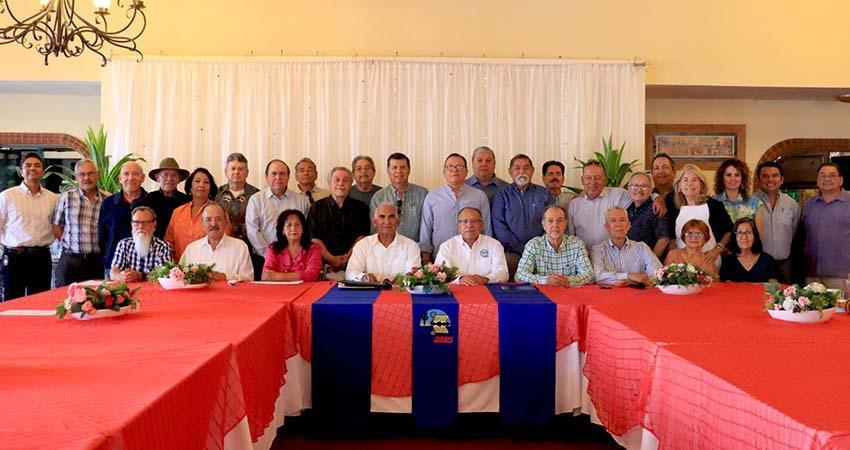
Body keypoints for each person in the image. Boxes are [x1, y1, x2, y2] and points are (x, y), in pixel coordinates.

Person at [569, 161, 665, 249]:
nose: (593, 182)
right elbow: (570, 236)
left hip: (612, 256)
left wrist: (657, 198)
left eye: (597, 178)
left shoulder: (618, 195)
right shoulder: (574, 204)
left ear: (605, 180)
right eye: (588, 178)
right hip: (583, 258)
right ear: (582, 180)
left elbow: (639, 193)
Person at [0, 152, 57, 299]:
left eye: (37, 165)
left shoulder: (52, 198)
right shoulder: (7, 196)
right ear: (21, 171)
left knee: (40, 302)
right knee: (12, 303)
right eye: (28, 165)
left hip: (41, 258)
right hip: (14, 257)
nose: (33, 168)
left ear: (43, 171)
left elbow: (56, 225)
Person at [419, 153, 491, 263]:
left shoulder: (479, 196)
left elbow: (486, 229)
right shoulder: (432, 197)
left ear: (467, 172)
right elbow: (426, 229)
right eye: (450, 166)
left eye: (459, 166)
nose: (454, 170)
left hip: (474, 258)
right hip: (440, 258)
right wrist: (425, 256)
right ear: (444, 172)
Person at [246, 160, 309, 279]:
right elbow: (252, 231)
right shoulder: (256, 200)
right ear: (266, 177)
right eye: (274, 173)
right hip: (263, 260)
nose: (278, 177)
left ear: (288, 177)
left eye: (282, 173)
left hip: (296, 262)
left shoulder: (301, 201)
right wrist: (270, 256)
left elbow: (305, 231)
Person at [492, 154, 550, 278]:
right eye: (517, 168)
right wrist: (521, 248)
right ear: (510, 171)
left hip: (541, 252)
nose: (522, 171)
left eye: (526, 168)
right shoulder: (501, 195)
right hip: (512, 253)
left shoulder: (544, 194)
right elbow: (499, 226)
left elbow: (553, 222)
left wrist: (537, 247)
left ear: (532, 170)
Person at [308, 167, 371, 280]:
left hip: (354, 266)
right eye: (337, 180)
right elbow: (314, 239)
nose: (341, 183)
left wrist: (348, 257)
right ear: (329, 183)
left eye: (345, 180)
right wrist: (331, 258)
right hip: (324, 267)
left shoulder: (361, 208)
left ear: (351, 184)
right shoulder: (316, 208)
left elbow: (362, 237)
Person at [52, 159, 108, 286]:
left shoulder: (108, 199)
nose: (86, 178)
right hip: (71, 260)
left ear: (98, 175)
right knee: (64, 299)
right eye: (82, 174)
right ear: (76, 177)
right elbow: (56, 226)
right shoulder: (67, 197)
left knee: (95, 299)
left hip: (96, 261)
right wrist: (70, 245)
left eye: (90, 173)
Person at [667, 164, 733, 264]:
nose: (689, 184)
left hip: (709, 260)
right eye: (685, 180)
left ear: (701, 184)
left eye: (694, 180)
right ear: (679, 186)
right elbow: (671, 238)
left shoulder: (714, 205)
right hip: (681, 263)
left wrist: (717, 249)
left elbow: (729, 231)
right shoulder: (674, 208)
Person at [515, 205, 594, 287]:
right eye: (550, 221)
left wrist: (568, 281)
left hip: (570, 294)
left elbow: (589, 275)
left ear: (565, 223)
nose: (555, 225)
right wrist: (545, 280)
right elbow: (519, 275)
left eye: (559, 220)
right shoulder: (533, 245)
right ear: (543, 224)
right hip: (542, 295)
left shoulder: (576, 244)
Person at [801, 162, 850, 289]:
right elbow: (803, 236)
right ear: (817, 180)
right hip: (812, 276)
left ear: (841, 180)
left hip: (843, 276)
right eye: (822, 175)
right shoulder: (809, 204)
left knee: (841, 309)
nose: (827, 179)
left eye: (832, 175)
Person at [165, 168, 230, 262]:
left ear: (211, 188)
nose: (201, 185)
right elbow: (168, 242)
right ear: (190, 187)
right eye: (197, 181)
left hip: (210, 267)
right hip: (180, 268)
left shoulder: (218, 211)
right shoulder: (178, 212)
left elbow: (224, 241)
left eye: (206, 182)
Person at [346, 202, 422, 282]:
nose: (387, 222)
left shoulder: (411, 246)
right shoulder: (363, 245)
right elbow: (350, 272)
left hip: (399, 293)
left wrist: (405, 279)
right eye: (382, 217)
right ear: (375, 222)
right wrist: (363, 277)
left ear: (398, 221)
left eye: (391, 217)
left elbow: (415, 274)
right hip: (371, 293)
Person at [435, 206, 508, 285]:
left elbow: (503, 274)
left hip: (486, 290)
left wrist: (485, 279)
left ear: (481, 225)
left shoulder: (494, 245)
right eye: (465, 221)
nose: (469, 225)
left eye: (474, 221)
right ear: (458, 227)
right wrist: (460, 279)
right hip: (456, 292)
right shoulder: (447, 246)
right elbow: (440, 274)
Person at [180, 203, 253, 282]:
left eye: (218, 219)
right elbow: (182, 278)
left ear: (225, 222)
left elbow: (248, 279)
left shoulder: (240, 247)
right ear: (202, 223)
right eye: (208, 219)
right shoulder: (191, 249)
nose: (213, 224)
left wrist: (225, 277)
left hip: (230, 294)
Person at [591, 207, 662, 287]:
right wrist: (629, 275)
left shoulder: (641, 247)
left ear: (628, 225)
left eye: (622, 220)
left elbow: (658, 273)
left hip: (639, 295)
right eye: (613, 221)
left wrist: (638, 281)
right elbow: (599, 277)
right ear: (607, 227)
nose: (618, 224)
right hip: (610, 297)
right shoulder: (598, 250)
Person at [752, 161, 798, 282]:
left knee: (787, 298)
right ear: (758, 179)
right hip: (758, 264)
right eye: (765, 176)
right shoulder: (750, 203)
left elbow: (794, 232)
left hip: (785, 264)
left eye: (775, 175)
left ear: (781, 179)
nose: (770, 180)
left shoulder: (791, 204)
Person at [98, 161, 147, 275]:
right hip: (113, 266)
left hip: (144, 267)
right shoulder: (108, 203)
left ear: (142, 178)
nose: (130, 178)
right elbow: (102, 236)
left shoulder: (152, 202)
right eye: (126, 174)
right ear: (120, 179)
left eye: (135, 174)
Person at [370, 152, 429, 242]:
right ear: (388, 171)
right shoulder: (378, 197)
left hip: (416, 249)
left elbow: (427, 225)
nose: (398, 171)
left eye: (402, 167)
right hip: (387, 250)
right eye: (394, 167)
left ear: (409, 170)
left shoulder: (423, 194)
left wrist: (425, 251)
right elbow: (375, 229)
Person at [110, 207, 173, 282]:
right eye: (136, 222)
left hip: (155, 291)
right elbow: (113, 272)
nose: (140, 227)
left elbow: (165, 274)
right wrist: (121, 276)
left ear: (154, 225)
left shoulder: (163, 247)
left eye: (145, 222)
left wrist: (140, 275)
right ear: (131, 225)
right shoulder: (124, 244)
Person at [262, 209, 323, 282]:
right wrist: (300, 275)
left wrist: (277, 276)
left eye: (297, 224)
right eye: (289, 225)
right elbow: (266, 276)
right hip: (279, 290)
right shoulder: (273, 249)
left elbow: (311, 275)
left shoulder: (314, 248)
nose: (293, 228)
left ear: (303, 229)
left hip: (307, 290)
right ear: (282, 230)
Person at [138, 157, 190, 238]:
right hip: (154, 246)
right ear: (158, 178)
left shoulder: (187, 201)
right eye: (165, 175)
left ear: (179, 179)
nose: (169, 179)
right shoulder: (148, 199)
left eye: (173, 175)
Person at [216, 152, 260, 244]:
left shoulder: (257, 195)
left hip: (250, 248)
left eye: (240, 169)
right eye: (233, 168)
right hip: (222, 246)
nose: (236, 172)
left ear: (247, 173)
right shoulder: (216, 194)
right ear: (226, 172)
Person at [625, 172, 669, 259]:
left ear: (651, 190)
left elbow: (664, 240)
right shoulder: (628, 209)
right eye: (635, 186)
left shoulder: (655, 209)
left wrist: (649, 263)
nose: (639, 190)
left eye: (644, 186)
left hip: (647, 264)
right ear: (629, 189)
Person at [719, 217, 778, 282]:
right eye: (740, 233)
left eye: (748, 232)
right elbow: (725, 288)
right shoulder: (728, 262)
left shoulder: (768, 260)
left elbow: (774, 288)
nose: (744, 237)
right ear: (735, 237)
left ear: (755, 236)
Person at [713, 158, 764, 227]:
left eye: (737, 175)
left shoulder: (756, 203)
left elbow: (758, 235)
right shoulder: (712, 202)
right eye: (728, 175)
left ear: (743, 178)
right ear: (722, 178)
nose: (733, 179)